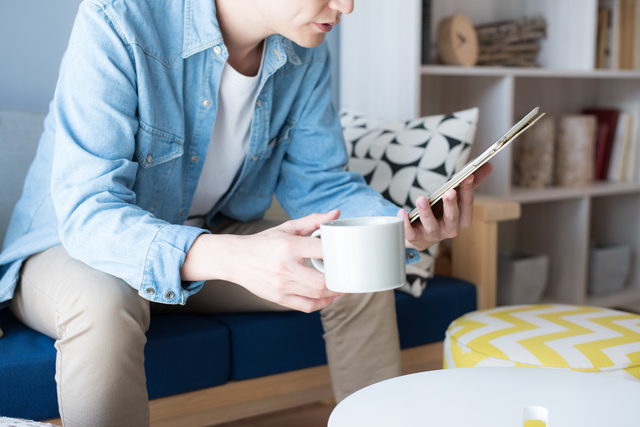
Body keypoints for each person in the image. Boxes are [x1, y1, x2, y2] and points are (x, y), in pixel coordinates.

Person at [0, 0, 492, 425]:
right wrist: (236, 258)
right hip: (72, 248)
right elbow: (89, 214)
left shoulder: (304, 50)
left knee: (352, 266)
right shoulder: (119, 20)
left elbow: (320, 184)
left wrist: (397, 229)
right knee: (106, 302)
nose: (346, 6)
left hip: (209, 241)